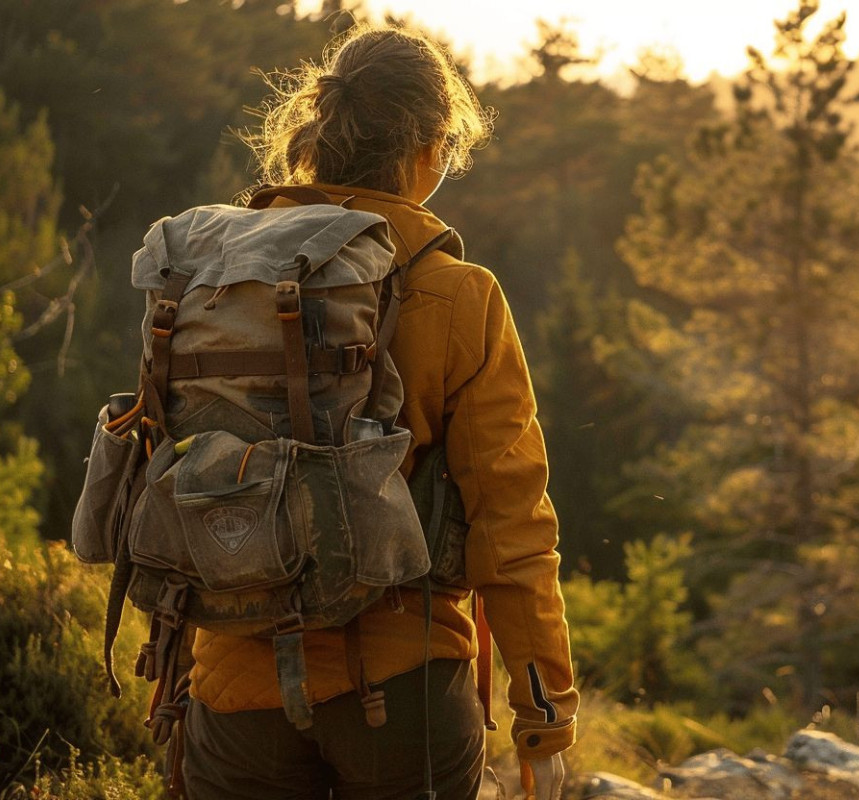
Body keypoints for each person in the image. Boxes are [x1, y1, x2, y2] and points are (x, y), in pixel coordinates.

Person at [178, 23, 578, 800]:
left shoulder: (214, 275)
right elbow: (511, 522)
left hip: (231, 688)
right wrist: (544, 713)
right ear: (428, 149)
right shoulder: (460, 294)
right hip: (401, 692)